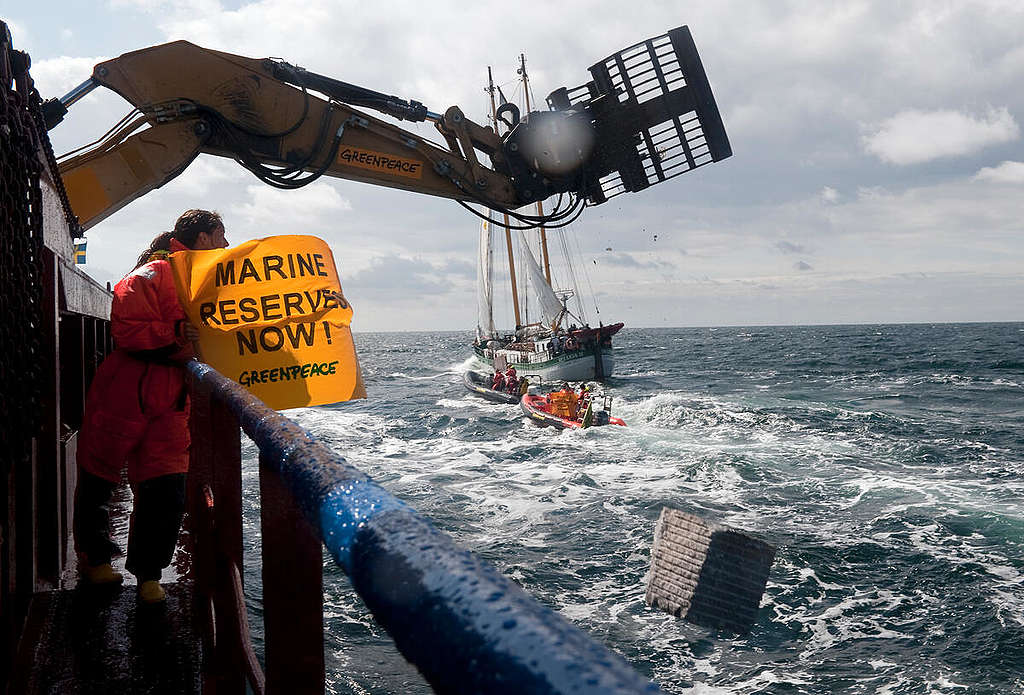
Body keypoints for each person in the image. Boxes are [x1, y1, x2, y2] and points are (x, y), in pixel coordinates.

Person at [74, 209, 229, 604]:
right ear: (204, 237)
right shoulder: (156, 273)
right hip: (126, 386)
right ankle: (95, 562)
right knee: (99, 476)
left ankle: (149, 575)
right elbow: (126, 326)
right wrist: (175, 331)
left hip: (172, 394)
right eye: (221, 235)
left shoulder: (212, 282)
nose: (226, 244)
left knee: (166, 486)